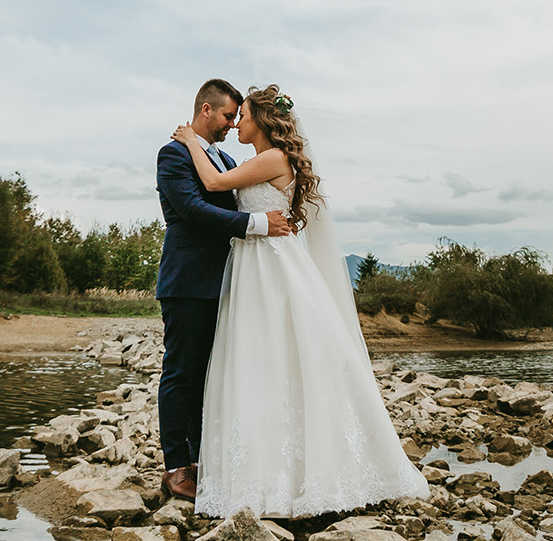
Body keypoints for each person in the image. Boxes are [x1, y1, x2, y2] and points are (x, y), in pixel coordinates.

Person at [171, 84, 428, 517]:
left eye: (244, 115)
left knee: (279, 356)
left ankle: (294, 477)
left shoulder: (272, 158)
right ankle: (270, 469)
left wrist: (188, 140)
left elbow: (214, 182)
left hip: (273, 267)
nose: (237, 122)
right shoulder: (257, 160)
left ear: (263, 121)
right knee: (266, 361)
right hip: (257, 264)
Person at [153, 79, 292, 502]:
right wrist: (258, 225)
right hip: (189, 281)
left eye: (239, 117)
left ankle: (201, 460)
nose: (233, 124)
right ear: (206, 110)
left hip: (232, 284)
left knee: (211, 376)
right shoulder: (173, 154)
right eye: (229, 115)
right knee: (181, 374)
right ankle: (176, 467)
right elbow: (194, 212)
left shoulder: (227, 159)